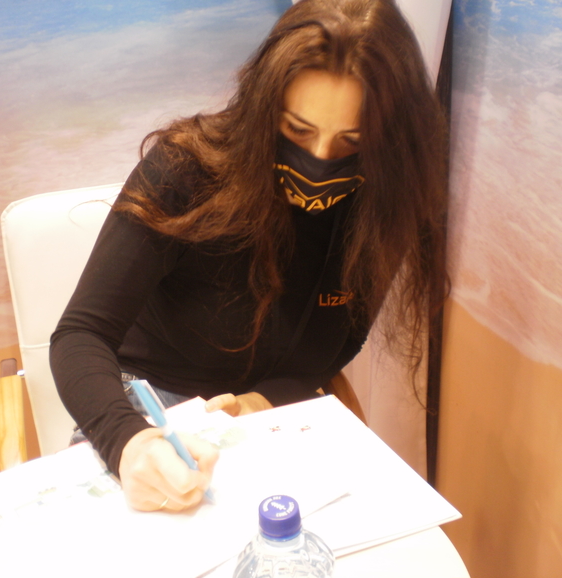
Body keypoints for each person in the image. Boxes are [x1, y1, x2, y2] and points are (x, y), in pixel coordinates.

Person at [50, 0, 447, 514]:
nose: (320, 161)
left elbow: (340, 340)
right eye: (298, 131)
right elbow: (80, 334)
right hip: (144, 409)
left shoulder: (382, 202)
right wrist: (128, 441)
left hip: (266, 418)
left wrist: (260, 402)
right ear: (264, 106)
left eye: (352, 141)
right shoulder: (185, 172)